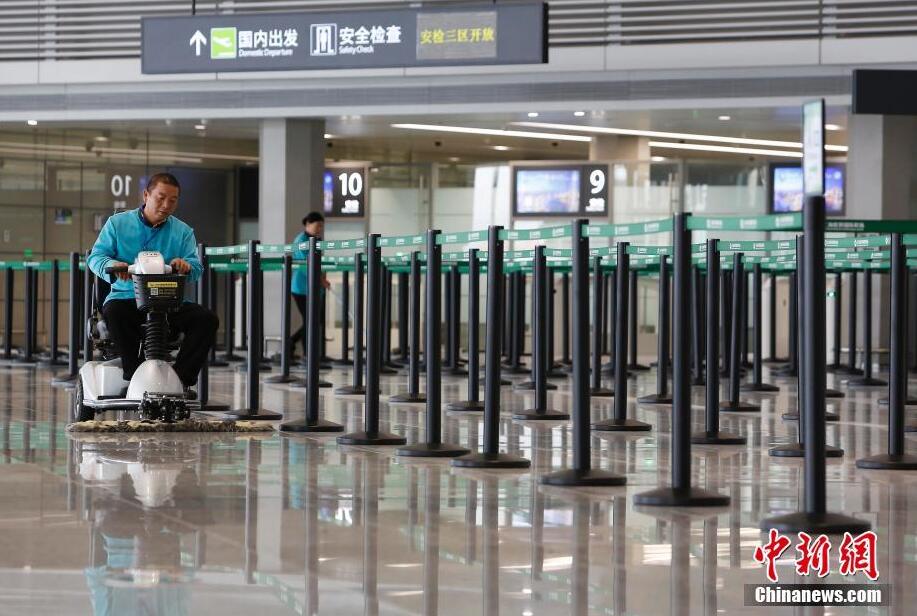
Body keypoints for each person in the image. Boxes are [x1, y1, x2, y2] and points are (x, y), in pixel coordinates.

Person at [86, 172, 219, 388]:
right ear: (146, 195)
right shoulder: (117, 224)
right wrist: (113, 265)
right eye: (161, 198)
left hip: (168, 300)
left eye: (173, 200)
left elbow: (196, 268)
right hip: (126, 297)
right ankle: (134, 376)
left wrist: (185, 265)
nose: (166, 205)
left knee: (206, 319)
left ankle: (180, 380)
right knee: (115, 312)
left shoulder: (183, 232)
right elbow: (96, 257)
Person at [290, 212, 330, 359]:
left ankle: (293, 344)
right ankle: (307, 354)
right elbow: (307, 265)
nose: (319, 228)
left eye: (321, 226)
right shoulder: (301, 240)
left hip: (315, 288)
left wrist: (323, 278)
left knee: (315, 320)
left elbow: (320, 262)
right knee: (310, 320)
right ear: (308, 224)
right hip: (301, 288)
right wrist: (320, 279)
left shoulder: (317, 240)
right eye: (317, 225)